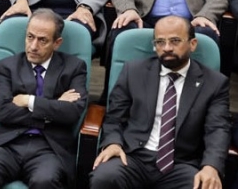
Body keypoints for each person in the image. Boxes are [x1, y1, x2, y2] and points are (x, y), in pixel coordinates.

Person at [90, 15, 229, 189]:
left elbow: (217, 129)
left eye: (175, 41)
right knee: (105, 177)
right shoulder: (133, 71)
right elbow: (114, 117)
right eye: (160, 42)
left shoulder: (214, 83)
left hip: (180, 162)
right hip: (133, 157)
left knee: (203, 186)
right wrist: (113, 143)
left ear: (192, 44)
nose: (167, 48)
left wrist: (211, 166)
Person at [0, 10, 88, 189]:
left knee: (45, 180)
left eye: (42, 40)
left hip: (49, 147)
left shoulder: (74, 67)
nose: (33, 46)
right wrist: (54, 108)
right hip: (9, 143)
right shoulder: (7, 67)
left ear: (57, 43)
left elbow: (72, 112)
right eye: (30, 37)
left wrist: (29, 101)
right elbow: (3, 112)